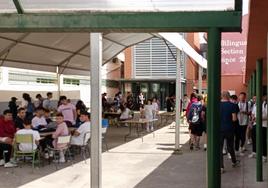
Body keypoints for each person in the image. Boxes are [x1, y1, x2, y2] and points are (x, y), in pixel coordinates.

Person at [220, 91, 240, 173]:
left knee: (219, 148)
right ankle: (234, 162)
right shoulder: (233, 105)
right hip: (229, 129)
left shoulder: (216, 105)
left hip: (219, 130)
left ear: (221, 96)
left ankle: (221, 167)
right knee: (230, 147)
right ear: (228, 96)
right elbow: (234, 119)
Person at [249, 95, 267, 161]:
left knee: (263, 140)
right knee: (254, 138)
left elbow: (267, 116)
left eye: (255, 98)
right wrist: (252, 121)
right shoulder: (255, 105)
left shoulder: (265, 105)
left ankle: (264, 155)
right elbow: (253, 114)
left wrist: (258, 118)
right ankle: (254, 152)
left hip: (263, 125)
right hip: (255, 124)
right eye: (253, 99)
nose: (254, 100)